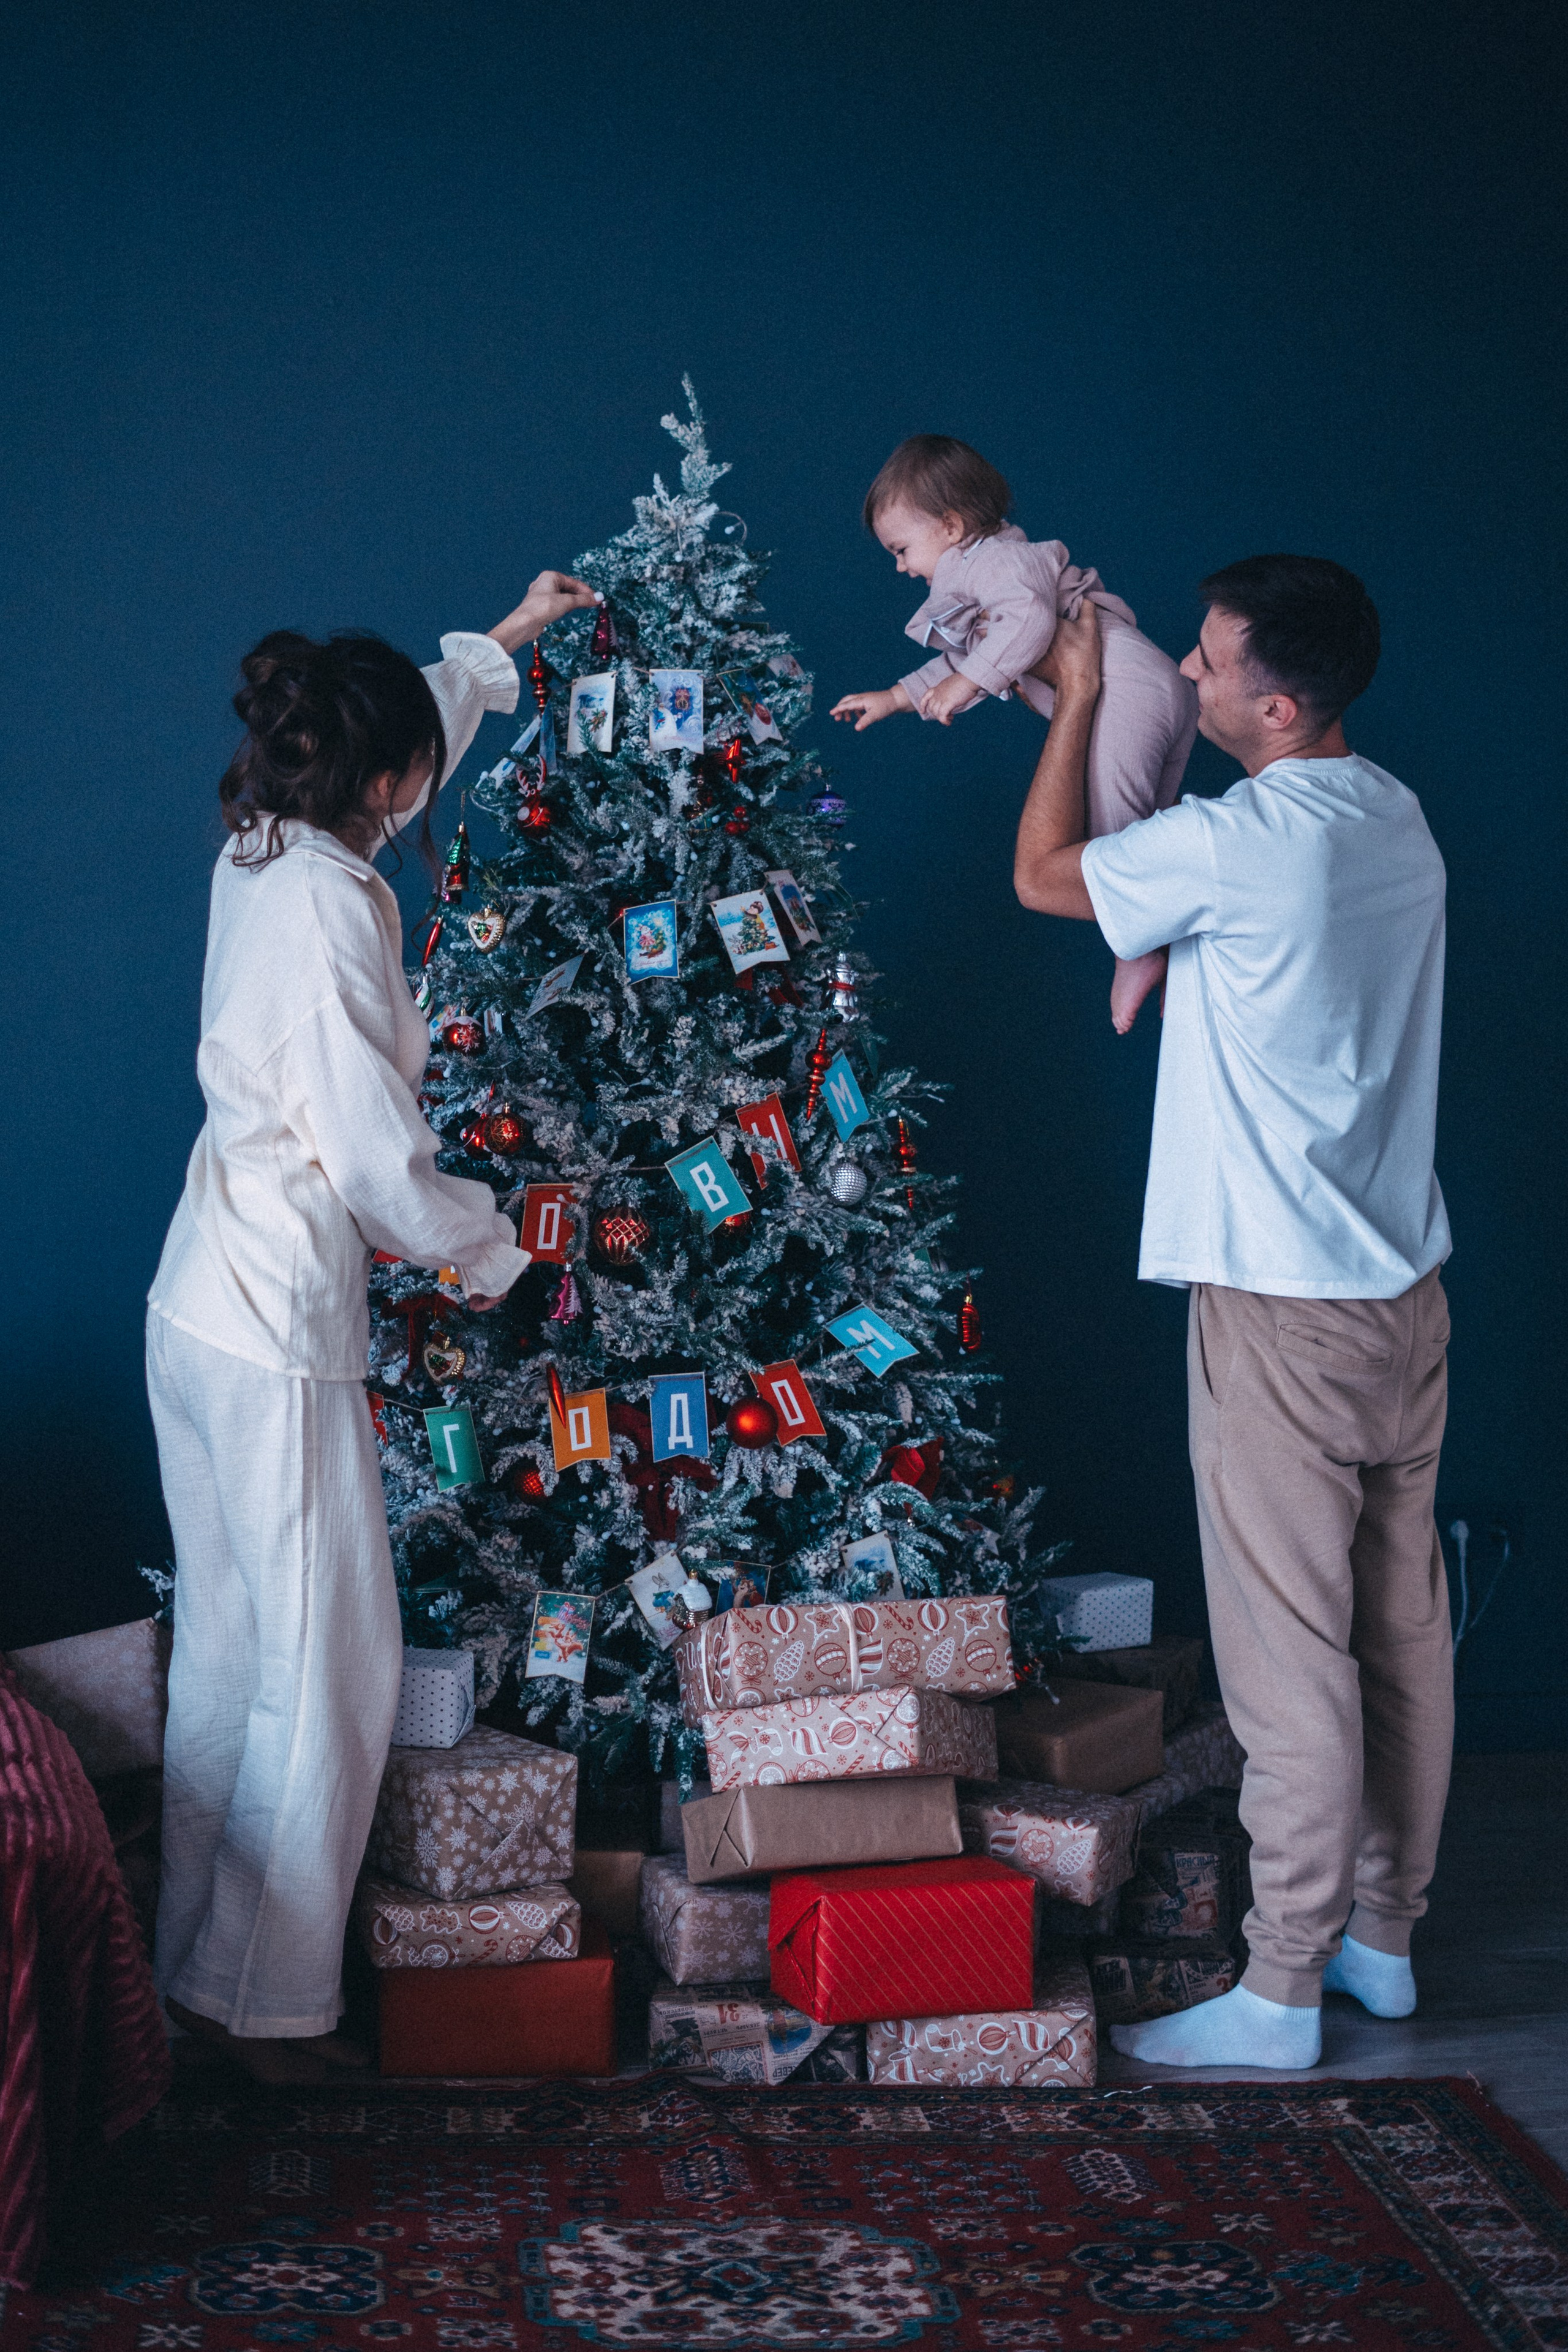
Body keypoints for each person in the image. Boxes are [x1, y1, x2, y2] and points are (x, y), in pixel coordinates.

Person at [146, 568, 595, 2083]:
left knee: (226, 1654)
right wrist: (501, 1260)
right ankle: (264, 2007)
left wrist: (498, 649)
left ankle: (190, 1976)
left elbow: (398, 731)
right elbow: (373, 1149)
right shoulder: (338, 902)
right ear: (385, 782)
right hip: (272, 1318)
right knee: (329, 1661)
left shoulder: (260, 841)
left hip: (192, 1301)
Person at [1014, 557, 1452, 2070]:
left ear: (1273, 703)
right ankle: (1379, 1941)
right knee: (1398, 1631)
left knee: (1287, 1658)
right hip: (1401, 1295)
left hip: (1281, 1309)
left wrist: (1072, 697)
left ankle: (1276, 1987)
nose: (1182, 684)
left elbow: (1043, 870)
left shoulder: (1243, 843)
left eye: (1202, 668)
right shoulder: (1391, 818)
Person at [831, 433, 1197, 1033]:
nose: (899, 567)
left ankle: (1135, 951)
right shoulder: (987, 578)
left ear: (951, 527)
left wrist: (970, 682)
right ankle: (1150, 947)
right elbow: (967, 653)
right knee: (1148, 840)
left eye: (901, 549)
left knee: (1116, 849)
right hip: (1152, 690)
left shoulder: (997, 563)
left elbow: (1024, 626)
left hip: (1124, 690)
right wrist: (896, 698)